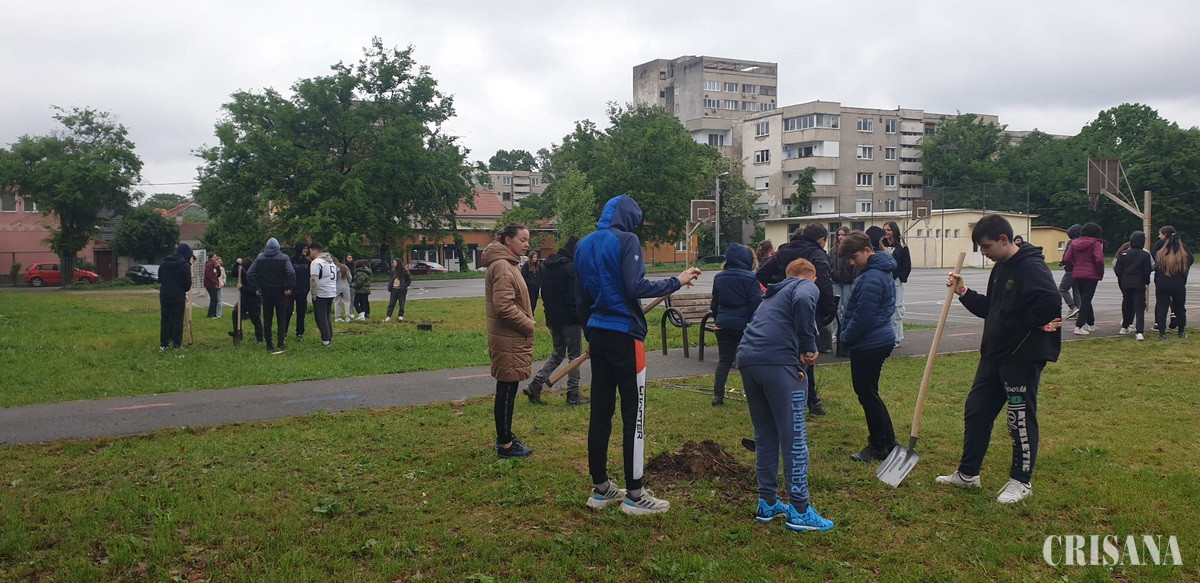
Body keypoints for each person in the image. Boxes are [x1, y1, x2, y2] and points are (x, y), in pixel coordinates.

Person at [575, 194, 701, 515]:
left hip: (598, 334)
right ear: (630, 219)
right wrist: (677, 280)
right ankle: (635, 494)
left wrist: (591, 334)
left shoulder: (583, 244)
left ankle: (601, 488)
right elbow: (635, 287)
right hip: (625, 337)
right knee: (634, 414)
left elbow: (581, 298)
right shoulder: (626, 240)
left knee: (600, 412)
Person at [937, 214, 1061, 504]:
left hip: (1021, 357)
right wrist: (964, 292)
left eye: (986, 246)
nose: (984, 253)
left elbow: (1050, 302)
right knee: (976, 410)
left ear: (1003, 239)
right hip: (994, 356)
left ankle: (1021, 481)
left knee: (1018, 419)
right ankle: (968, 474)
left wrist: (1025, 325)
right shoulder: (1001, 266)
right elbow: (992, 309)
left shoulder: (1031, 266)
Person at [738, 258, 834, 532]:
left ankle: (767, 502)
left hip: (748, 360)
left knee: (766, 436)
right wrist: (808, 346)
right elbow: (804, 299)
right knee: (795, 438)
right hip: (778, 363)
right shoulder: (805, 285)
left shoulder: (772, 295)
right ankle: (800, 510)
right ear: (812, 278)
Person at [756, 224, 835, 416]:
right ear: (821, 240)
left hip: (783, 308)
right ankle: (809, 400)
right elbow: (824, 284)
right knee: (806, 353)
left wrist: (779, 288)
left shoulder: (784, 251)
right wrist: (827, 311)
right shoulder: (817, 254)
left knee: (786, 351)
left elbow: (762, 273)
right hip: (809, 306)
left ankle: (786, 396)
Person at [836, 231, 898, 462]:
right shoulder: (877, 271)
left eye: (853, 257)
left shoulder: (872, 276)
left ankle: (878, 447)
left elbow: (864, 316)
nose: (852, 263)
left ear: (867, 250)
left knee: (867, 394)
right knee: (870, 393)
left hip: (870, 342)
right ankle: (889, 442)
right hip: (876, 340)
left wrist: (846, 337)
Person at [481, 223, 537, 458]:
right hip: (509, 339)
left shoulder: (507, 264)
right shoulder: (503, 266)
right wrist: (528, 324)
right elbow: (504, 307)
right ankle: (505, 445)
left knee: (507, 388)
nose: (527, 244)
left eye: (527, 240)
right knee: (506, 390)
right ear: (507, 241)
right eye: (522, 240)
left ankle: (505, 436)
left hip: (509, 338)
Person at [524, 236, 589, 406]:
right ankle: (573, 394)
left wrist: (548, 316)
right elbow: (574, 298)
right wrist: (581, 319)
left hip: (553, 318)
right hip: (570, 320)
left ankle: (535, 385)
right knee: (575, 356)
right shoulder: (571, 268)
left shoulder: (546, 267)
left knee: (558, 353)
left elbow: (544, 294)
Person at [709, 242, 762, 406]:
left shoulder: (719, 277)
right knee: (750, 360)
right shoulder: (751, 278)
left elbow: (714, 304)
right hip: (745, 325)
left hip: (723, 324)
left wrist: (718, 319)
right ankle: (754, 394)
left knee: (724, 361)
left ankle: (717, 395)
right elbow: (756, 304)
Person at [246, 237, 296, 352]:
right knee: (281, 317)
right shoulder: (284, 258)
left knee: (267, 318)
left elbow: (250, 273)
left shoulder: (260, 257)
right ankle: (280, 342)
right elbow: (291, 273)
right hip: (280, 291)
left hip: (265, 291)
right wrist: (289, 287)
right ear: (278, 247)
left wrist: (257, 287)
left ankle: (269, 344)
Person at [1062, 223, 1104, 335]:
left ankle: (1091, 323)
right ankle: (1079, 326)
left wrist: (1075, 266)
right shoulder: (1096, 243)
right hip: (1091, 275)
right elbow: (1099, 259)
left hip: (1077, 274)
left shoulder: (1074, 243)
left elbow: (1067, 258)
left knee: (1085, 299)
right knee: (1086, 299)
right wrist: (1100, 271)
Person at [1153, 226, 1193, 341]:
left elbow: (1155, 263)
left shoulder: (1160, 250)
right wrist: (1183, 271)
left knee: (1162, 307)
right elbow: (1190, 259)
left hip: (1162, 280)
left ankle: (1162, 333)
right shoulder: (1183, 249)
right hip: (1178, 280)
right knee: (1180, 308)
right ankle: (1181, 332)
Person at [1113, 231, 1152, 341]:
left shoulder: (1123, 254)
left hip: (1126, 283)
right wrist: (1146, 281)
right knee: (1139, 307)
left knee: (1127, 304)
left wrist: (1123, 279)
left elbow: (1118, 269)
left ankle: (1124, 326)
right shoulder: (1145, 255)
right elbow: (1147, 271)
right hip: (1139, 283)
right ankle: (1139, 331)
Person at [880, 221, 911, 346]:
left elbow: (906, 264)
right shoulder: (881, 244)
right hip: (884, 280)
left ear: (894, 231)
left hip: (896, 280)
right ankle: (886, 336)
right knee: (885, 309)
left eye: (889, 230)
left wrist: (900, 277)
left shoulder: (901, 246)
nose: (886, 232)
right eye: (884, 230)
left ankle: (896, 338)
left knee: (897, 308)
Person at [158, 243, 194, 350]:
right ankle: (177, 344)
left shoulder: (163, 263)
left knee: (165, 319)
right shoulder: (185, 266)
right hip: (178, 296)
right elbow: (187, 285)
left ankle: (164, 344)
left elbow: (160, 279)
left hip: (165, 295)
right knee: (177, 321)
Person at [828, 226, 855, 357]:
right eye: (839, 234)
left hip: (848, 282)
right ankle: (836, 332)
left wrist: (852, 278)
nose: (840, 237)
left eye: (843, 234)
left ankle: (845, 331)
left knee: (847, 306)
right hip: (836, 281)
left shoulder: (851, 250)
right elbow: (829, 265)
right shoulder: (833, 251)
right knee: (836, 308)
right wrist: (832, 273)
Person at [309, 242, 338, 346]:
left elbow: (314, 280)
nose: (310, 254)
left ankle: (325, 339)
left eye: (310, 251)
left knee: (320, 317)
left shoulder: (316, 262)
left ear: (315, 250)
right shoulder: (330, 262)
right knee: (327, 315)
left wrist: (313, 294)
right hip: (331, 291)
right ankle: (329, 335)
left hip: (321, 292)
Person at [230, 256, 263, 343]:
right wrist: (237, 264)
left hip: (254, 300)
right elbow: (233, 274)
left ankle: (260, 338)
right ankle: (238, 333)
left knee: (255, 319)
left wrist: (242, 288)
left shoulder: (256, 275)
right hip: (243, 299)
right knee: (236, 314)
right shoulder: (243, 273)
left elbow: (256, 290)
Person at [1058, 224, 1082, 319]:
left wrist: (1063, 262)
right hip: (1080, 269)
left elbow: (1067, 256)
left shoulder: (1071, 242)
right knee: (1076, 290)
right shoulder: (1082, 242)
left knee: (1063, 289)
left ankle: (1072, 307)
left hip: (1071, 269)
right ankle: (1078, 310)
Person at [289, 242, 312, 340]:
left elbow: (310, 276)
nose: (306, 250)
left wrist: (307, 289)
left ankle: (299, 333)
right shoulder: (290, 261)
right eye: (304, 248)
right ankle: (284, 332)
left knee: (301, 313)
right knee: (288, 312)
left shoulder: (308, 262)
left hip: (303, 291)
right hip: (291, 291)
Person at [333, 258, 353, 322]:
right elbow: (350, 277)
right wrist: (349, 283)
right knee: (347, 302)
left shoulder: (334, 268)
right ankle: (347, 317)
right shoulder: (345, 267)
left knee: (337, 302)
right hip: (345, 286)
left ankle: (337, 317)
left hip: (337, 287)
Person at [204, 254, 223, 318]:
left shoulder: (214, 265)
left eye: (216, 257)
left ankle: (212, 314)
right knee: (214, 299)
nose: (216, 258)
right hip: (210, 284)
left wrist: (217, 267)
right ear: (210, 258)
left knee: (215, 299)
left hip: (214, 284)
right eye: (214, 257)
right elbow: (209, 276)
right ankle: (211, 314)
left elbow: (218, 275)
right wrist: (215, 283)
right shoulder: (209, 265)